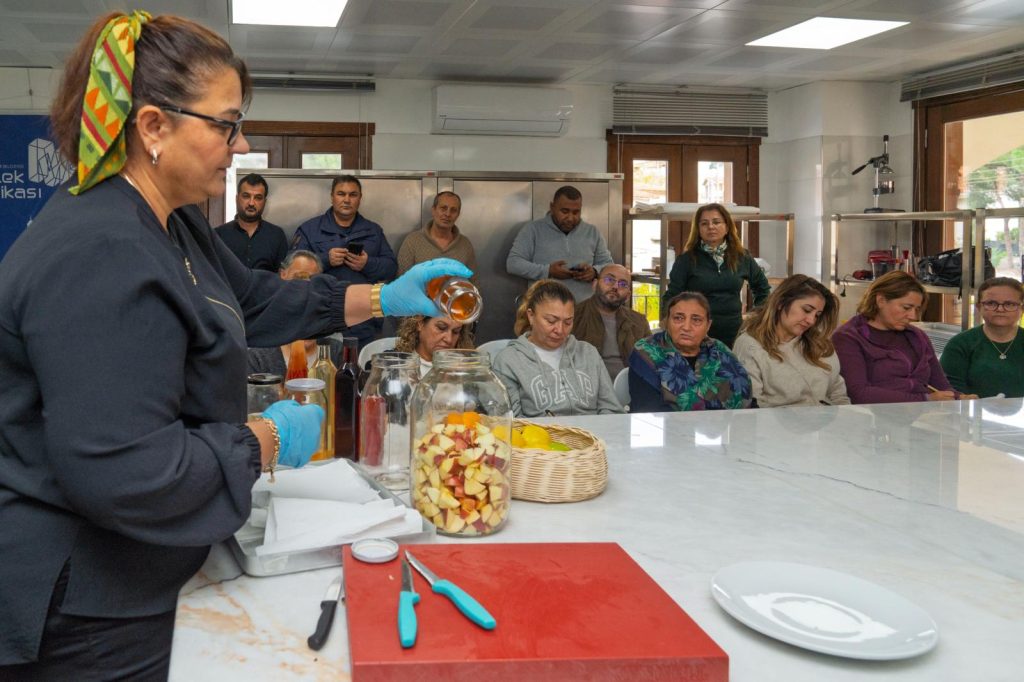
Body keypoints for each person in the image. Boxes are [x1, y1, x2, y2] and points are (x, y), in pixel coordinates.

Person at [0, 11, 471, 677]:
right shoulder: (99, 250)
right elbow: (129, 472)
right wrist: (261, 440)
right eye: (225, 124)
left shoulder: (172, 221)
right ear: (153, 127)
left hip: (142, 565)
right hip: (85, 601)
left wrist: (384, 297)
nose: (241, 142)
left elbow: (251, 298)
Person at [832, 271, 975, 404]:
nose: (913, 316)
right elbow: (858, 393)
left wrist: (958, 397)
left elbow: (940, 384)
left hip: (919, 418)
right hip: (872, 422)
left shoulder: (917, 336)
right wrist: (925, 399)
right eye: (906, 308)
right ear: (881, 300)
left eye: (917, 309)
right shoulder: (848, 338)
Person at [291, 175, 399, 349]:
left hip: (363, 320)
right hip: (320, 320)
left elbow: (391, 268)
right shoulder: (309, 230)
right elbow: (294, 271)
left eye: (352, 195)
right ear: (332, 196)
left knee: (359, 372)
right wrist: (325, 260)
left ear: (360, 198)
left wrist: (367, 264)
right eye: (341, 194)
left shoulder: (373, 230)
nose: (347, 200)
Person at [492, 279, 622, 417]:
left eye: (568, 322)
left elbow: (611, 409)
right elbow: (510, 422)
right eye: (551, 321)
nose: (560, 330)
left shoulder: (588, 353)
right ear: (531, 316)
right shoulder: (509, 360)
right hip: (540, 436)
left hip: (593, 436)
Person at [663, 203, 771, 347]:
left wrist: (757, 317)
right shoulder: (687, 260)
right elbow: (672, 296)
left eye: (716, 222)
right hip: (696, 332)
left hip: (733, 331)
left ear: (727, 227)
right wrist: (671, 325)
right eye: (704, 223)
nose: (711, 227)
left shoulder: (742, 257)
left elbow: (762, 288)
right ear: (698, 229)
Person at [733, 274, 850, 407]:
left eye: (817, 315)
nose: (811, 321)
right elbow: (753, 408)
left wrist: (842, 420)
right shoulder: (750, 346)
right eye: (806, 310)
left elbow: (838, 395)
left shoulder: (820, 344)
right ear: (780, 303)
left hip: (826, 424)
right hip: (773, 426)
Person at [630, 292, 753, 412]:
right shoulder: (646, 351)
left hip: (719, 429)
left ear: (708, 325)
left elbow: (745, 400)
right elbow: (646, 408)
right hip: (662, 429)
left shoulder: (719, 352)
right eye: (678, 318)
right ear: (667, 322)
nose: (687, 327)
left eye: (696, 320)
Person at [506, 185, 614, 302]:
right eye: (564, 211)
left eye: (576, 212)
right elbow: (513, 263)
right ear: (552, 207)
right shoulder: (533, 230)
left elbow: (608, 265)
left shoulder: (592, 232)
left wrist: (594, 272)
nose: (570, 218)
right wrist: (548, 271)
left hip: (584, 309)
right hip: (544, 309)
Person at [247, 250, 344, 374]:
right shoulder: (259, 353)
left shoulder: (335, 349)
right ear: (282, 275)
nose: (305, 285)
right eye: (299, 278)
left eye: (312, 279)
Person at [940, 277, 1024, 398]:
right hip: (970, 414)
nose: (1000, 309)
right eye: (991, 303)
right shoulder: (960, 344)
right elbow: (951, 390)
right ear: (978, 307)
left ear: (1022, 308)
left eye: (1009, 304)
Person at [572, 263, 651, 379]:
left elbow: (651, 361)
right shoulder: (573, 317)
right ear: (595, 285)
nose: (615, 286)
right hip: (586, 388)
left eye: (623, 284)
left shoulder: (639, 322)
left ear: (628, 295)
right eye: (609, 279)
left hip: (629, 388)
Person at [213, 172, 288, 271]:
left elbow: (283, 277)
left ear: (264, 202)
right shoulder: (219, 235)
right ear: (237, 199)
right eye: (246, 196)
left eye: (258, 198)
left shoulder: (277, 235)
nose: (251, 203)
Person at [397, 191, 478, 280]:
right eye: (443, 208)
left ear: (458, 215)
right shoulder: (412, 242)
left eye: (453, 210)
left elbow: (473, 283)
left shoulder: (465, 245)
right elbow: (401, 282)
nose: (447, 214)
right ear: (433, 210)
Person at [394, 315, 474, 377]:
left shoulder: (465, 370)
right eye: (441, 328)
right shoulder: (394, 365)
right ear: (420, 323)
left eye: (456, 331)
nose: (449, 339)